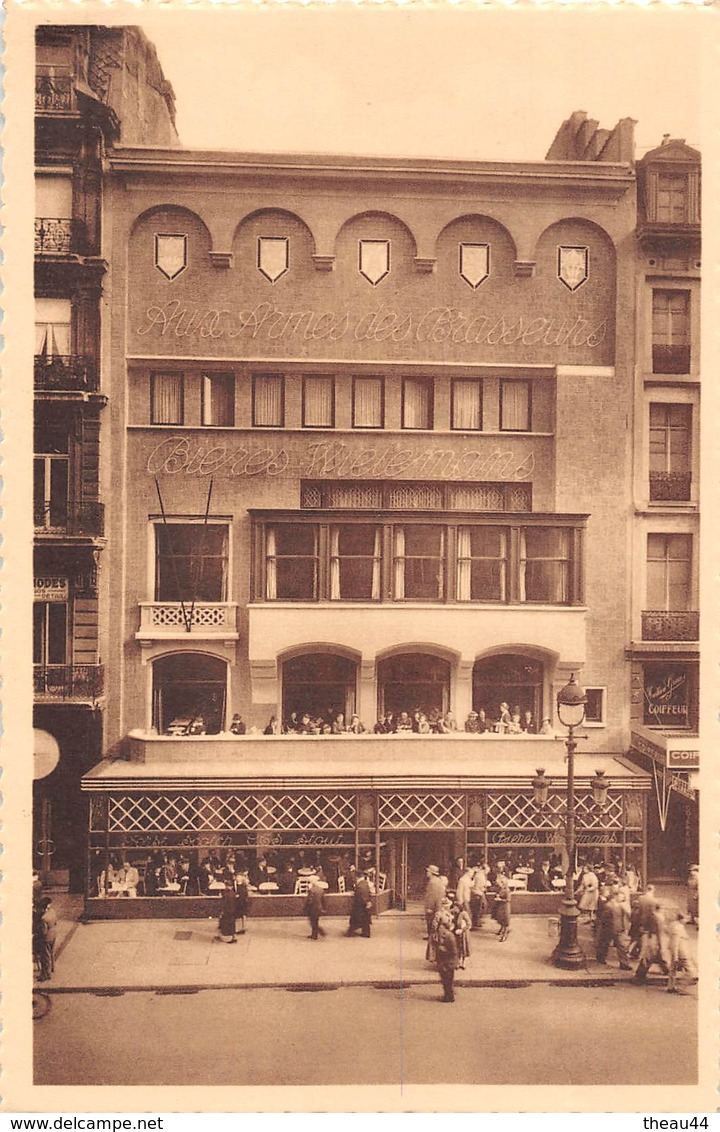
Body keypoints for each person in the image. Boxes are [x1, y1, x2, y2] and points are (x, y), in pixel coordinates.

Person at [595, 891, 632, 970]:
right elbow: (604, 919)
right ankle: (600, 958)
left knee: (622, 946)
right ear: (615, 897)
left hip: (619, 928)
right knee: (605, 944)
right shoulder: (608, 906)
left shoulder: (619, 905)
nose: (622, 898)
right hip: (609, 929)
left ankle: (624, 964)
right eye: (621, 896)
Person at [666, 912, 697, 993]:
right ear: (681, 919)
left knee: (673, 970)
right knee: (692, 972)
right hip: (681, 953)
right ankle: (682, 988)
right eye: (686, 918)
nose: (687, 920)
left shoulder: (675, 926)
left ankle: (671, 987)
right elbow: (675, 942)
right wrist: (675, 955)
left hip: (677, 952)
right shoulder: (678, 928)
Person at [435, 918, 460, 1002]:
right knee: (445, 980)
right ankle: (447, 995)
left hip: (448, 963)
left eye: (441, 928)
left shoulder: (450, 937)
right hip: (444, 962)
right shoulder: (443, 935)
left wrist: (443, 949)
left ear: (446, 928)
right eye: (439, 928)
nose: (440, 930)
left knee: (448, 981)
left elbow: (454, 952)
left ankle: (449, 997)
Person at [346, 868, 373, 937]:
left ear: (357, 877)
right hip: (363, 905)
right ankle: (366, 933)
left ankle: (350, 933)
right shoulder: (364, 883)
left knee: (355, 920)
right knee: (365, 921)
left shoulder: (360, 885)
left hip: (360, 906)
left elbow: (363, 896)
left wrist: (365, 902)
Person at [423, 864, 446, 940]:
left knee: (430, 921)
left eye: (428, 872)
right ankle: (433, 935)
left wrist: (429, 907)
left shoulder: (432, 882)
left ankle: (431, 936)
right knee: (435, 920)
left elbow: (431, 896)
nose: (427, 873)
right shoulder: (438, 881)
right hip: (437, 904)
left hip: (432, 905)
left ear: (431, 873)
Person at [37, 897, 58, 982]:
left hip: (46, 938)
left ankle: (46, 975)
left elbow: (43, 932)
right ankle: (52, 968)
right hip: (53, 934)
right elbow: (56, 922)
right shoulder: (52, 912)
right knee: (51, 953)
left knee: (45, 956)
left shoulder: (43, 918)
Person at [216, 878, 239, 943]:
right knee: (231, 925)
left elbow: (224, 903)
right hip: (232, 911)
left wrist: (222, 911)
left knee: (226, 924)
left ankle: (228, 938)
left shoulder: (227, 894)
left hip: (227, 912)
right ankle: (233, 937)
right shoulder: (233, 893)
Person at [304, 875, 327, 940]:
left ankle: (316, 934)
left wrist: (306, 907)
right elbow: (323, 900)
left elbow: (310, 900)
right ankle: (315, 934)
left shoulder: (311, 890)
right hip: (319, 908)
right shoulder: (321, 890)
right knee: (315, 921)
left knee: (312, 922)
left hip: (312, 908)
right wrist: (324, 908)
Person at [492, 873, 511, 941]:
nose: (498, 884)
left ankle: (505, 934)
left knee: (505, 920)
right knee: (500, 919)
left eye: (499, 883)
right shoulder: (500, 889)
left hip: (505, 907)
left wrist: (500, 899)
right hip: (500, 906)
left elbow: (508, 900)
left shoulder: (507, 890)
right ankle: (502, 929)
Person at [470, 862, 489, 929]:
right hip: (477, 893)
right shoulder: (480, 876)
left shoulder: (481, 874)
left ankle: (477, 921)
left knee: (481, 906)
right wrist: (483, 888)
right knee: (478, 907)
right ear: (484, 869)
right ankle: (476, 922)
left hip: (479, 892)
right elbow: (477, 886)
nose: (487, 871)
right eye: (487, 870)